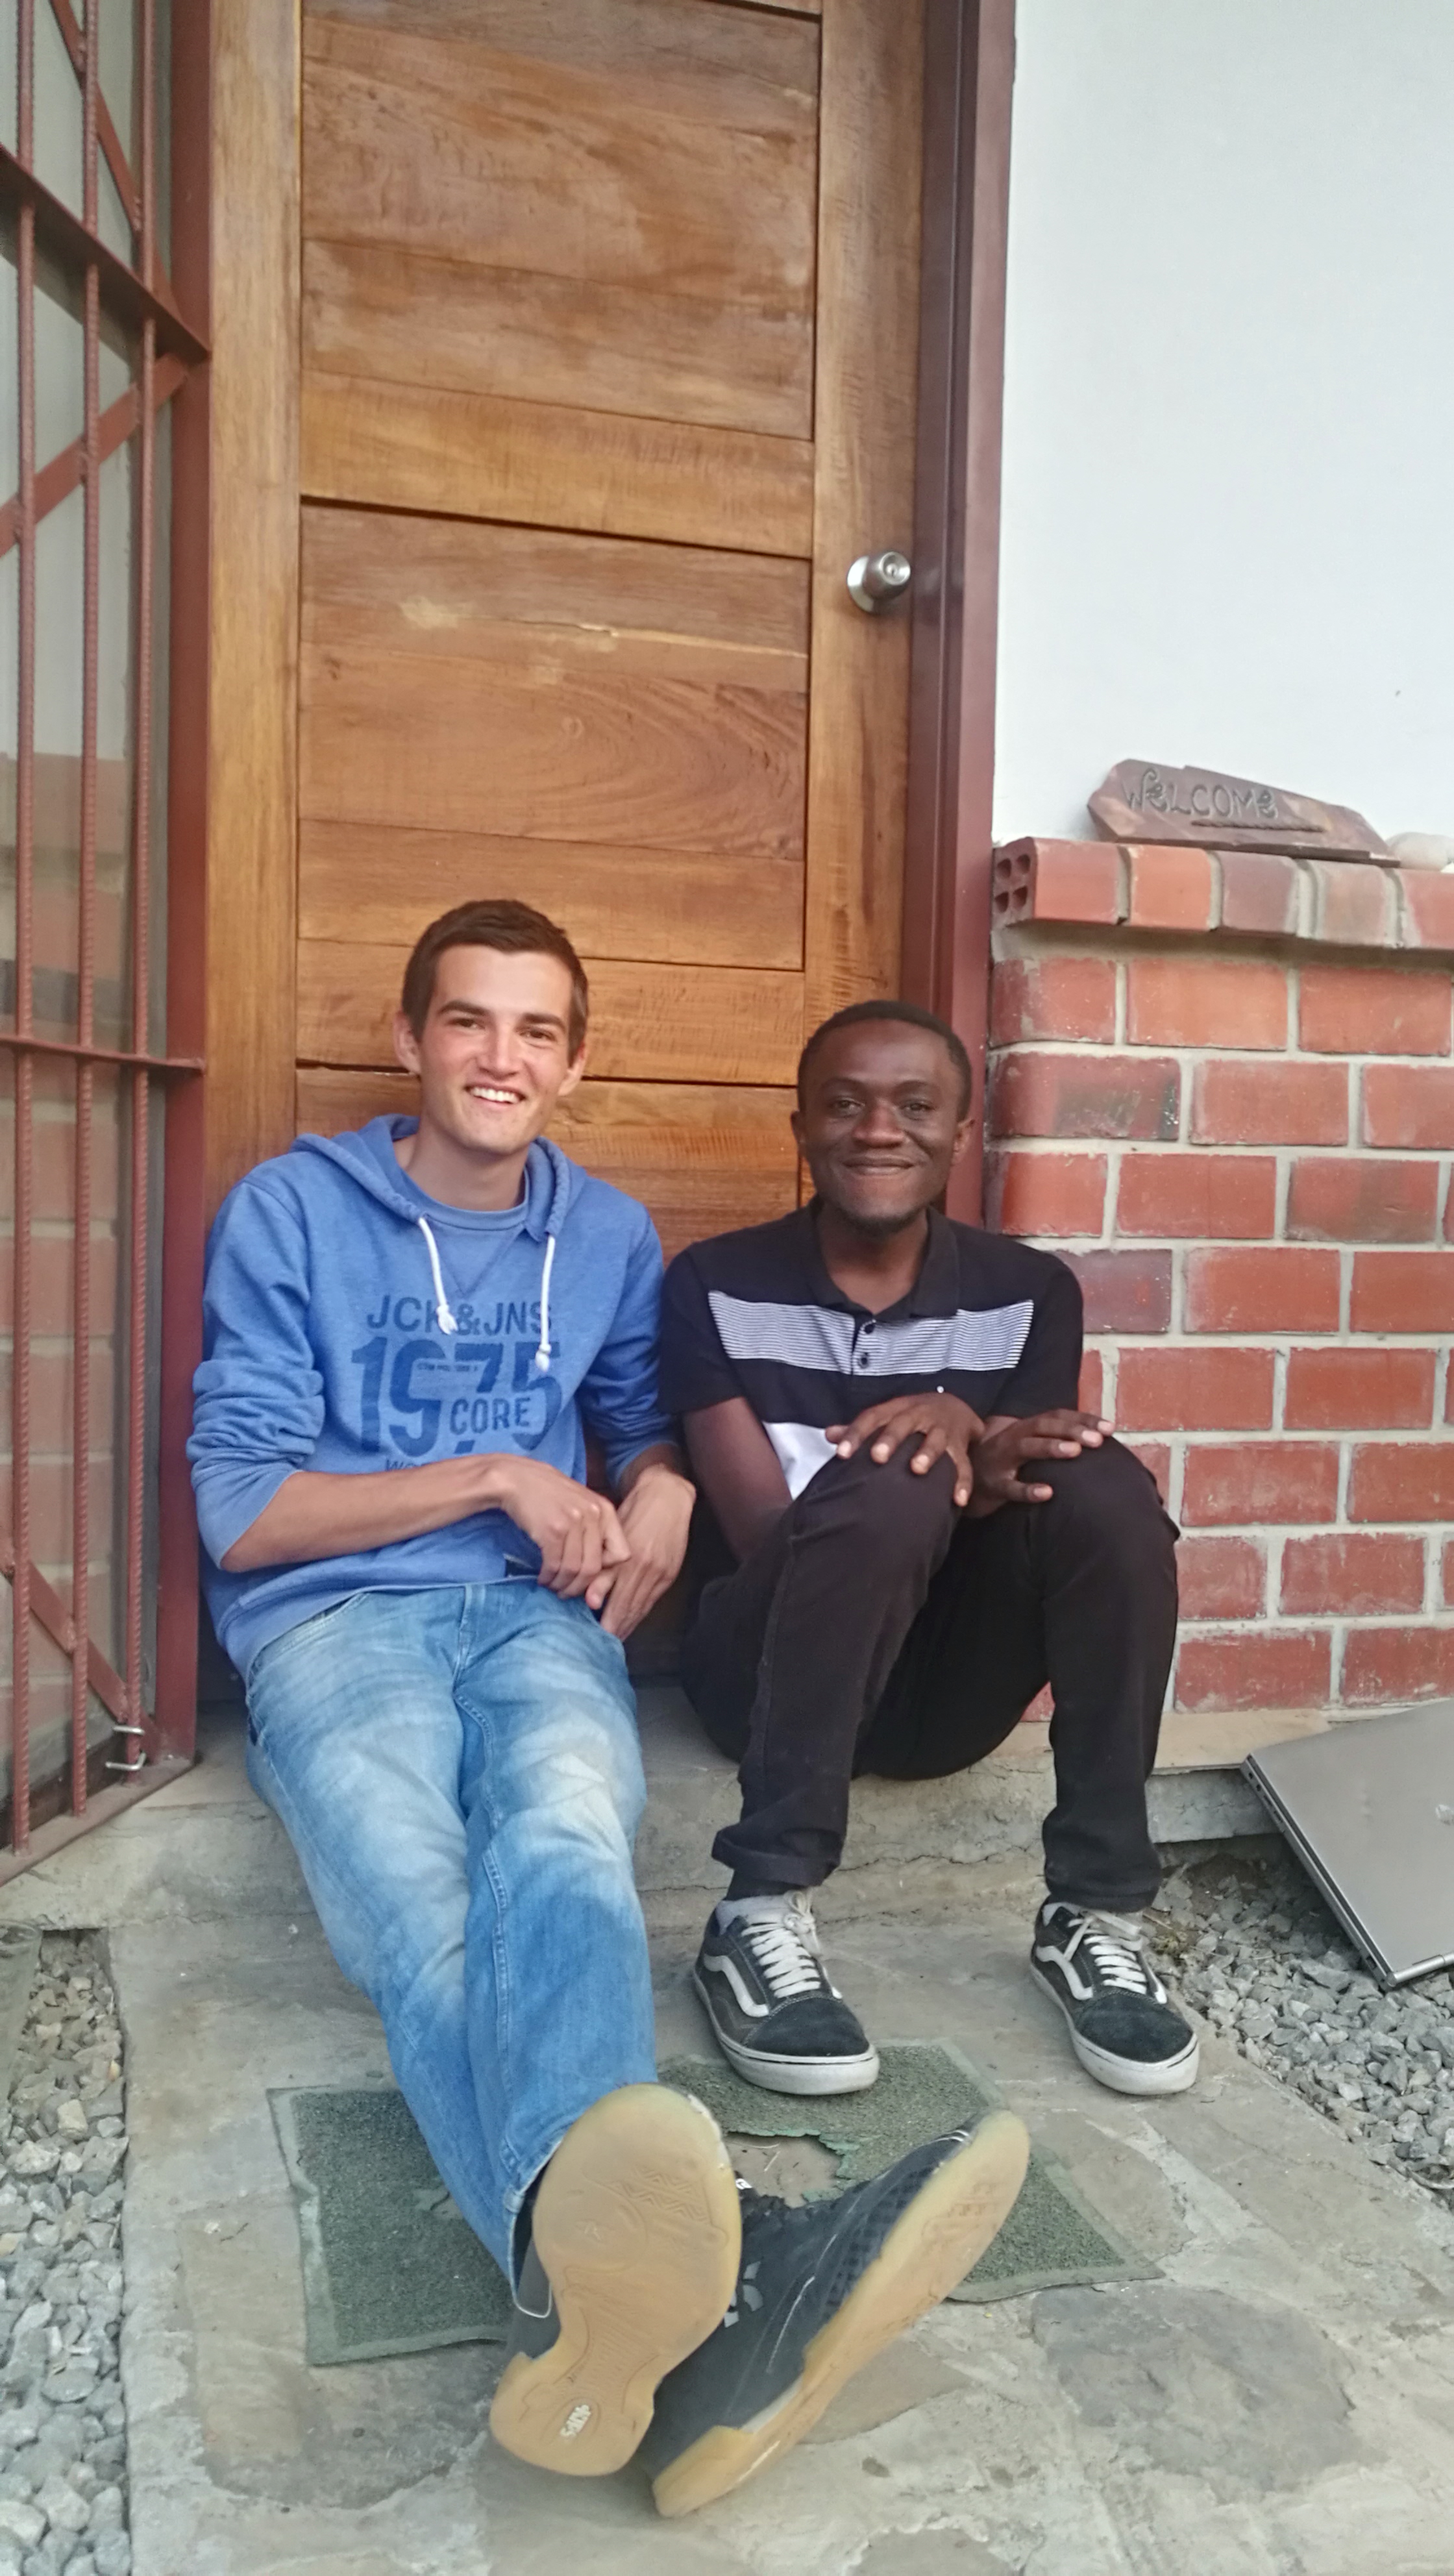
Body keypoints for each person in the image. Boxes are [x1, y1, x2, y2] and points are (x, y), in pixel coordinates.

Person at [188, 903, 1029, 2516]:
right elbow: (243, 1510)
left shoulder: (607, 1235)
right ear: (411, 1038)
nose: (498, 1057)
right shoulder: (291, 1211)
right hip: (330, 1622)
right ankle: (728, 2281)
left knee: (569, 1841)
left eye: (535, 1030)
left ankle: (612, 2314)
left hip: (536, 1617)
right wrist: (501, 1473)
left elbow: (641, 1430)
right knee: (421, 1901)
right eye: (467, 1020)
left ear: (573, 1063)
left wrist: (660, 1490)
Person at [661, 998, 1197, 2105]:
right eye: (844, 1104)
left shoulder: (1029, 1293)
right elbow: (765, 1538)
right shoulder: (714, 1284)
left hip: (943, 1694)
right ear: (801, 1127)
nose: (878, 1130)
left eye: (915, 1106)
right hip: (764, 1679)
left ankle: (1094, 1910)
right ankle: (757, 1907)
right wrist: (935, 1438)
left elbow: (1030, 1486)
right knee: (901, 1475)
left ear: (960, 1134)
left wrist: (973, 1435)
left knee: (1101, 1484)